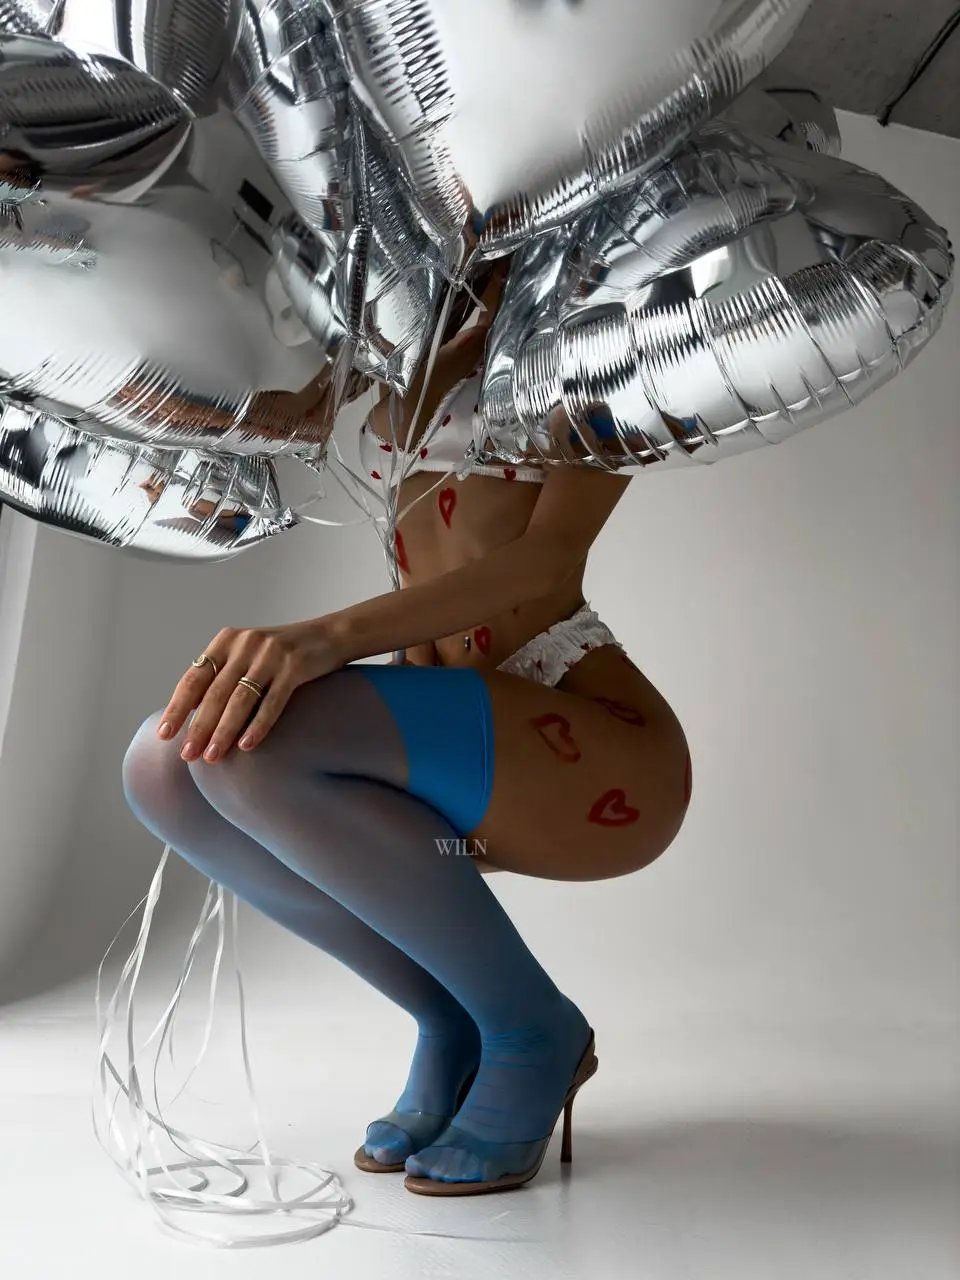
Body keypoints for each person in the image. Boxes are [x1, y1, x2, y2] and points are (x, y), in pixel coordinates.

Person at [119, 263, 692, 1197]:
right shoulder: (418, 318)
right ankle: (455, 1019)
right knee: (168, 766)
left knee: (259, 747)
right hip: (458, 723)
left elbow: (546, 566)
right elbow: (277, 419)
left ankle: (531, 1029)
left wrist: (320, 640)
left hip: (593, 744)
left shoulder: (600, 329)